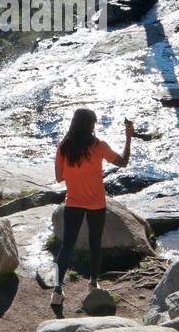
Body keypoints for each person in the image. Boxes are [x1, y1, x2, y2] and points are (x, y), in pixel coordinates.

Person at [51, 108, 132, 307]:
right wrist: (128, 138)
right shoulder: (99, 146)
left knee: (66, 246)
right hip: (96, 203)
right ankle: (94, 284)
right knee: (95, 243)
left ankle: (57, 290)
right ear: (91, 125)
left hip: (73, 202)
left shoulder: (64, 147)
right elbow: (123, 162)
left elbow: (59, 177)